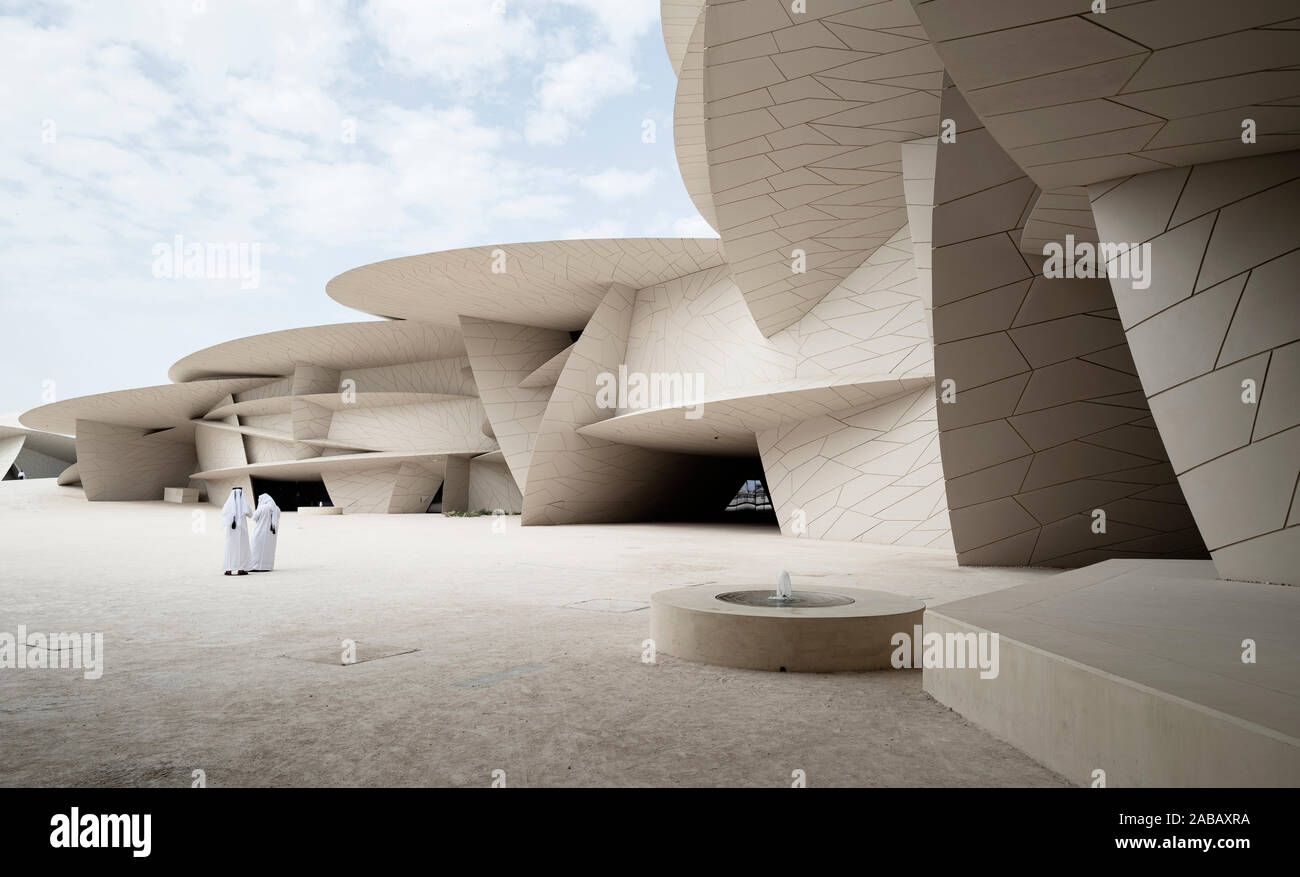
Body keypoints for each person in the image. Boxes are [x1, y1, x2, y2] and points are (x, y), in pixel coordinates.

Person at [221, 487, 252, 575]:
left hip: (231, 532)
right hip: (242, 532)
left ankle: (228, 570)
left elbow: (223, 513)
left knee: (230, 549)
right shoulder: (243, 503)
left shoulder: (228, 504)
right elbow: (250, 514)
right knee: (242, 549)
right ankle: (241, 569)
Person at [250, 493, 280, 572]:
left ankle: (255, 566)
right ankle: (266, 567)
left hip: (260, 532)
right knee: (268, 550)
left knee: (256, 549)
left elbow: (254, 517)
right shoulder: (277, 509)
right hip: (271, 535)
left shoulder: (262, 508)